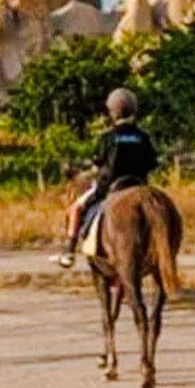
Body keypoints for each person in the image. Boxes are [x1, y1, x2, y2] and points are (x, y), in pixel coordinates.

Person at [55, 87, 159, 268]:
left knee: (76, 208)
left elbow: (98, 165)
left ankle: (69, 251)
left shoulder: (108, 138)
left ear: (112, 112)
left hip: (110, 187)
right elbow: (152, 163)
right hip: (140, 186)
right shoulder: (143, 137)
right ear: (134, 109)